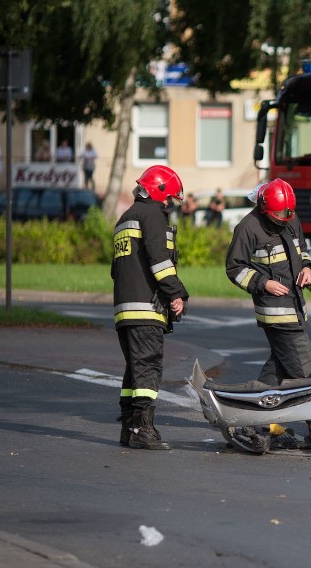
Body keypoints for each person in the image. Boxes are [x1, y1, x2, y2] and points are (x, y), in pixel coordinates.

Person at [112, 165, 189, 450]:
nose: (169, 205)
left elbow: (116, 269)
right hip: (146, 307)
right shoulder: (152, 214)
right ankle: (143, 429)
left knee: (134, 370)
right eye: (169, 198)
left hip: (124, 309)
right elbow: (159, 261)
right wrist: (177, 294)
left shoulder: (125, 217)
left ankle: (129, 429)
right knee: (148, 368)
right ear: (158, 192)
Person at [226, 178, 311, 384]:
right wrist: (264, 283)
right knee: (307, 373)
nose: (283, 219)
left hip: (295, 308)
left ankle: (256, 405)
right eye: (278, 215)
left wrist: (307, 267)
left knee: (279, 365)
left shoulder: (289, 216)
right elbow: (235, 268)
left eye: (287, 214)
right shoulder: (248, 227)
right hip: (275, 313)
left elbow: (302, 250)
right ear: (264, 207)